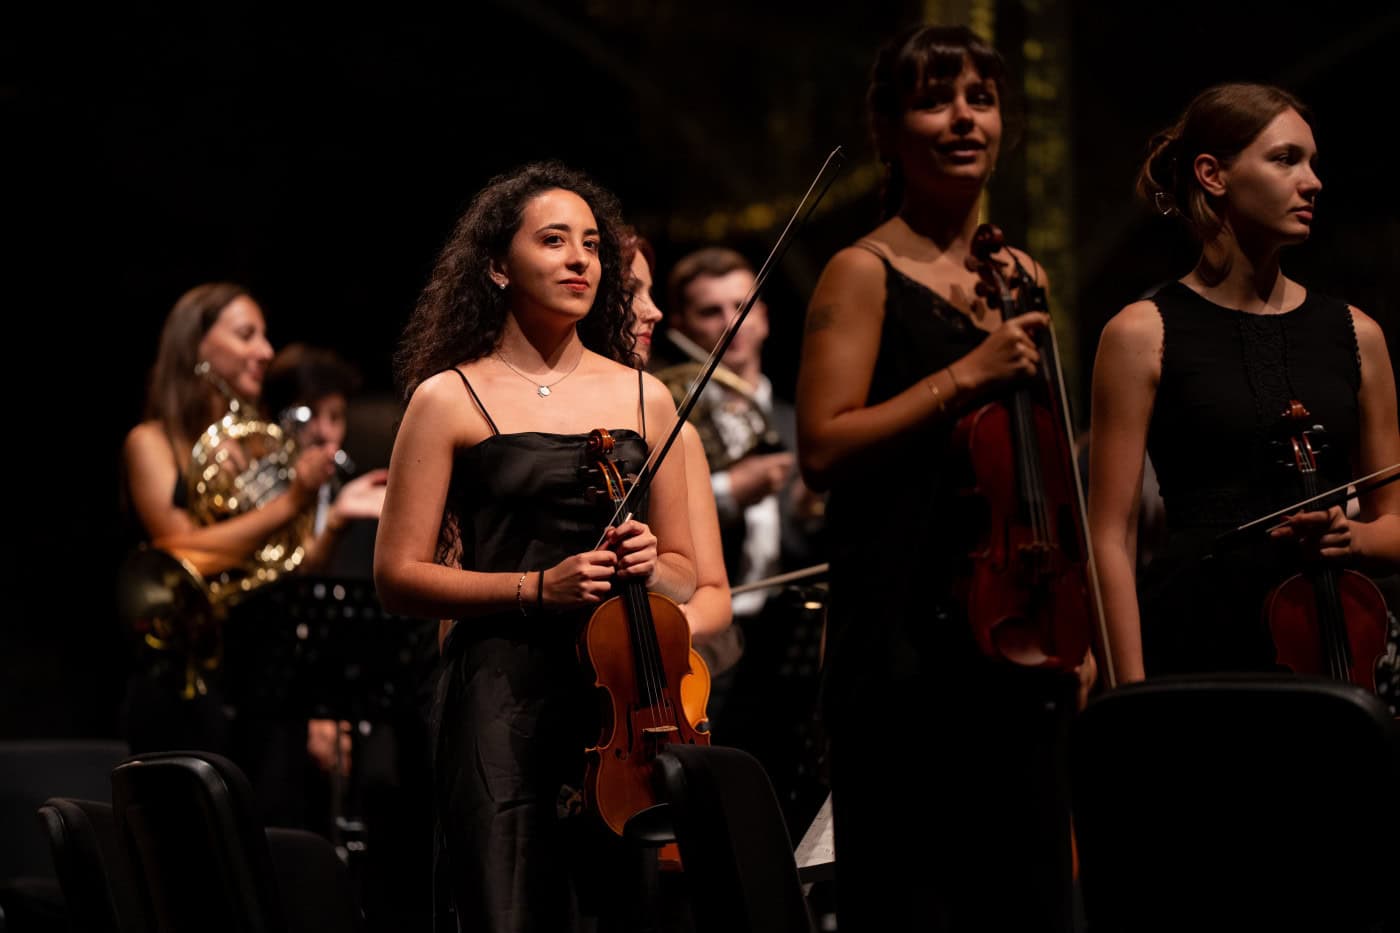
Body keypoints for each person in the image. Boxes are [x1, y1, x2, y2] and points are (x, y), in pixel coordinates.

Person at [795, 25, 1088, 931]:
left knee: (1029, 894)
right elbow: (823, 447)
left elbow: (1044, 459)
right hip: (903, 634)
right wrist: (965, 376)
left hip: (1016, 624)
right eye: (935, 100)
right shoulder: (862, 271)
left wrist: (1074, 622)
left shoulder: (1019, 273)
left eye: (981, 100)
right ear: (888, 131)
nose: (964, 119)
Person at [372, 162, 696, 931]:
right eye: (553, 241)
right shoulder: (448, 396)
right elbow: (397, 575)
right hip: (499, 701)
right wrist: (537, 588)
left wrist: (652, 562)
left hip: (621, 700)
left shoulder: (647, 395)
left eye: (591, 244)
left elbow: (687, 572)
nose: (580, 259)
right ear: (496, 264)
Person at [1088, 83, 1400, 686]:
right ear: (1213, 175)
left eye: (1313, 163)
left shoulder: (1359, 334)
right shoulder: (1139, 333)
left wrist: (1352, 540)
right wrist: (1131, 691)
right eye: (1286, 160)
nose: (1313, 182)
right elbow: (1110, 536)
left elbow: (1395, 522)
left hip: (1325, 647)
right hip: (1193, 640)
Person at [121, 282, 339, 824]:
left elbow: (289, 560)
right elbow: (178, 551)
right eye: (247, 335)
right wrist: (292, 501)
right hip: (187, 679)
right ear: (197, 347)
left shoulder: (256, 443)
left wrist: (332, 519)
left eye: (264, 335)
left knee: (275, 833)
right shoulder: (152, 441)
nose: (265, 351)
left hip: (265, 670)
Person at [620, 227, 733, 655]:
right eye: (631, 292)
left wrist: (665, 629)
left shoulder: (672, 433)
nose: (654, 311)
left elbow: (713, 594)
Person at [261, 342, 388, 575]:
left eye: (335, 417)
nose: (324, 432)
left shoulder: (348, 497)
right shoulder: (258, 485)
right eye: (309, 413)